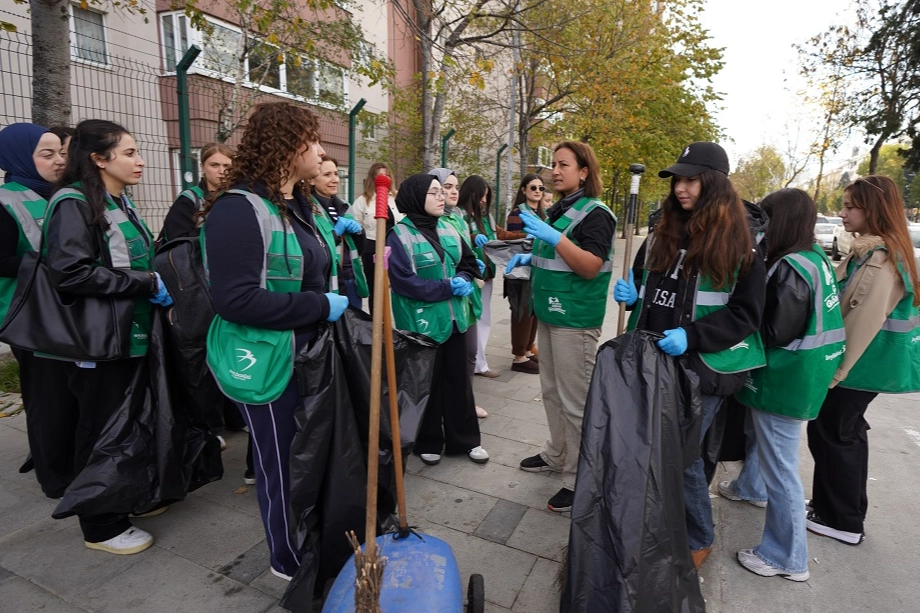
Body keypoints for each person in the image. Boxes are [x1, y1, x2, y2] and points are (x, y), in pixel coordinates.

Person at [200, 101, 348, 581]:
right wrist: (319, 307)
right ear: (288, 145)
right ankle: (288, 559)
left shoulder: (300, 205)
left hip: (310, 353)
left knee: (313, 457)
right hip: (267, 361)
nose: (322, 150)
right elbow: (236, 301)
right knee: (281, 463)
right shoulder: (239, 209)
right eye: (313, 139)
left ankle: (319, 540)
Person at [613, 141, 766, 568]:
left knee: (681, 455)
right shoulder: (664, 230)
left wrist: (693, 335)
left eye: (690, 179)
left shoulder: (744, 246)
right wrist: (633, 294)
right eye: (677, 179)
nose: (681, 188)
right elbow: (647, 282)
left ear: (714, 184)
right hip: (655, 359)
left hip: (706, 368)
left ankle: (699, 536)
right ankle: (663, 519)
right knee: (659, 449)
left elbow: (746, 314)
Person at [43, 119, 171, 554]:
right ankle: (99, 523)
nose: (140, 161)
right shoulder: (73, 203)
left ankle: (124, 498)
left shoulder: (118, 200)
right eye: (129, 153)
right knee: (101, 429)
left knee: (126, 424)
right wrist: (144, 283)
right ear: (98, 158)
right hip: (98, 342)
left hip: (130, 334)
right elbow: (71, 272)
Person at [722, 188, 845, 581]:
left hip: (787, 377)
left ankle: (785, 557)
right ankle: (749, 486)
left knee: (782, 467)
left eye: (766, 218)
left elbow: (774, 329)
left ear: (782, 221)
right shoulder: (814, 258)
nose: (760, 226)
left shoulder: (790, 266)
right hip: (806, 373)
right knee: (766, 444)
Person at [806, 175, 920, 546]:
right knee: (845, 432)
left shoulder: (880, 258)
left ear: (874, 210)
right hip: (866, 367)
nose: (842, 214)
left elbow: (862, 320)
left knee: (833, 433)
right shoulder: (871, 251)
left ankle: (841, 519)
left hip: (860, 367)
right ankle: (837, 509)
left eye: (851, 206)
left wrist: (834, 373)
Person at [507, 142, 617, 512]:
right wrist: (531, 255)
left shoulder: (596, 214)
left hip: (575, 319)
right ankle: (557, 454)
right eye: (553, 164)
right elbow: (555, 258)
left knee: (576, 402)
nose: (554, 171)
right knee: (552, 392)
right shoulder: (560, 209)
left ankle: (579, 477)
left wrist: (555, 238)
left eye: (563, 165)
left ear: (584, 171)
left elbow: (588, 265)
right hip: (552, 313)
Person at [386, 173, 489, 466]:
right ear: (416, 197)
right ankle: (428, 440)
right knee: (427, 383)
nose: (441, 197)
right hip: (422, 325)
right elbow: (404, 282)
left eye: (440, 192)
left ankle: (466, 440)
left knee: (459, 382)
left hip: (457, 319)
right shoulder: (399, 235)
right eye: (434, 193)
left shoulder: (449, 227)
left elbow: (468, 263)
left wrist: (465, 277)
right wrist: (446, 287)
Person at [0, 123, 69, 497]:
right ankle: (54, 476)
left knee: (59, 394)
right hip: (29, 315)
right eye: (47, 154)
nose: (59, 160)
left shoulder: (56, 195)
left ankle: (56, 457)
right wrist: (50, 262)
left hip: (59, 312)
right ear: (18, 157)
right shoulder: (6, 200)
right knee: (46, 397)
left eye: (60, 152)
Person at [461, 175, 528, 377]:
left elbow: (500, 234)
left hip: (486, 276)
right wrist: (473, 238)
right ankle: (477, 364)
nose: (483, 200)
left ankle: (478, 362)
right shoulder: (460, 217)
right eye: (482, 196)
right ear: (472, 193)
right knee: (474, 319)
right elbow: (458, 238)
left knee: (484, 319)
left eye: (486, 197)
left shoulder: (485, 217)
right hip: (469, 276)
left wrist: (526, 236)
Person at [309, 155, 367, 310]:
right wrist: (334, 234)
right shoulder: (309, 210)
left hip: (351, 279)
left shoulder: (345, 207)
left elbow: (359, 249)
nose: (335, 179)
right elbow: (315, 249)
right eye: (327, 175)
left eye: (336, 174)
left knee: (356, 329)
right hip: (328, 283)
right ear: (311, 180)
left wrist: (360, 233)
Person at [503, 173, 547, 374]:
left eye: (541, 188)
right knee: (521, 311)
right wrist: (528, 236)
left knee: (533, 311)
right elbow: (512, 241)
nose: (538, 191)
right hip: (520, 271)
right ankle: (519, 356)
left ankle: (528, 350)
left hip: (537, 269)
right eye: (533, 187)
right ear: (523, 190)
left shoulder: (541, 213)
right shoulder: (517, 213)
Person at [158, 142, 234, 243]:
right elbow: (176, 241)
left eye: (226, 166)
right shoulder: (187, 200)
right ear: (202, 167)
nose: (222, 171)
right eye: (214, 165)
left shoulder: (238, 196)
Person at [351, 163, 401, 311]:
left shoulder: (397, 197)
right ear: (373, 178)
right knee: (376, 287)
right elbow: (356, 227)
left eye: (387, 175)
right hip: (372, 247)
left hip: (395, 246)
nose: (384, 178)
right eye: (380, 175)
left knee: (398, 284)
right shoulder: (363, 201)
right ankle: (377, 324)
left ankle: (396, 323)